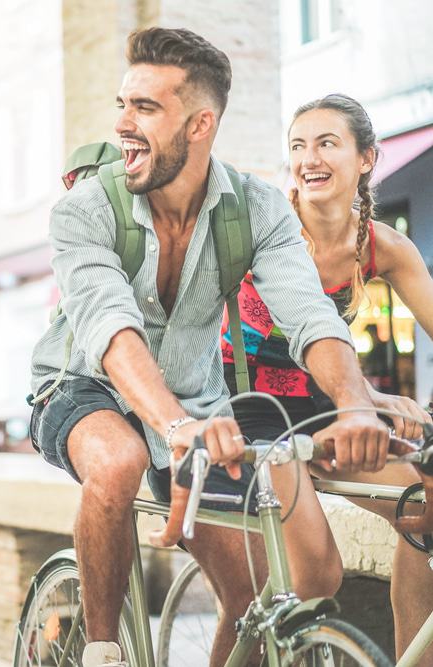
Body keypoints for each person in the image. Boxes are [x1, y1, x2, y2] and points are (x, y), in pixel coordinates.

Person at [28, 28, 389, 667]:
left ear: (200, 124)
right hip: (81, 386)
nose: (123, 124)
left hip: (197, 403)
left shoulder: (257, 211)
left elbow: (310, 318)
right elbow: (111, 330)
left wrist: (355, 401)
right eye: (122, 104)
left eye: (145, 108)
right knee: (117, 460)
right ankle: (103, 650)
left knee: (253, 594)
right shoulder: (85, 209)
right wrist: (173, 427)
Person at [221, 93, 433, 663]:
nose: (308, 158)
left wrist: (368, 396)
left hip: (325, 409)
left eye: (326, 143)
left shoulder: (380, 247)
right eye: (298, 145)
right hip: (247, 409)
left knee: (423, 508)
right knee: (305, 578)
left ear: (366, 158)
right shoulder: (265, 228)